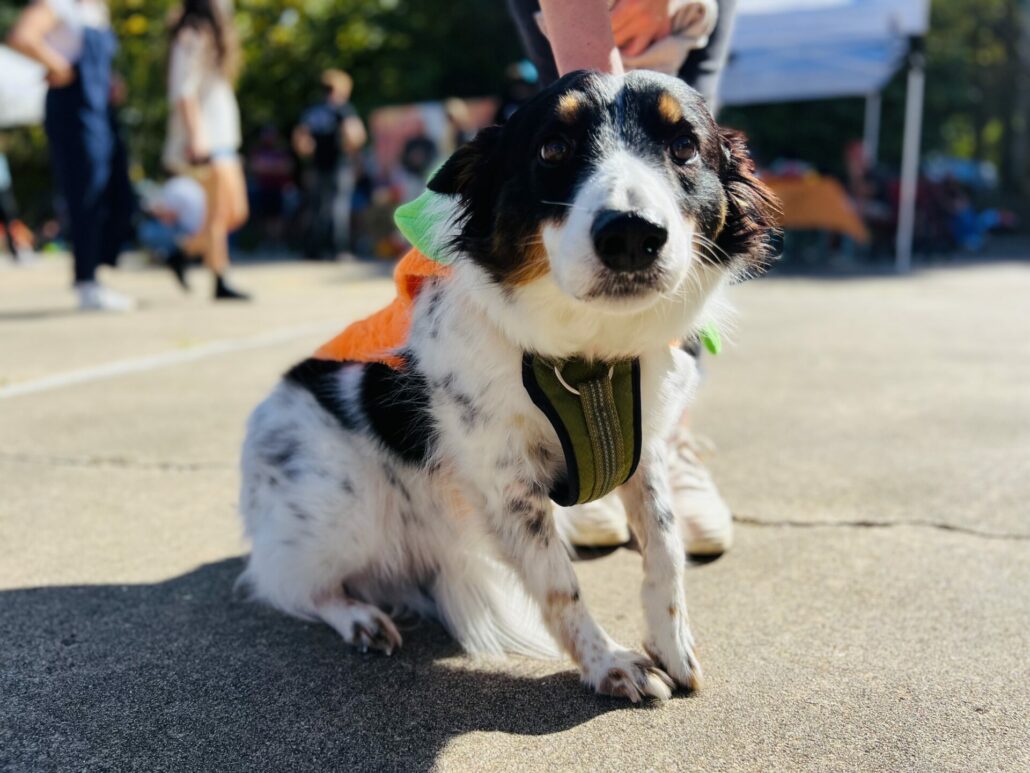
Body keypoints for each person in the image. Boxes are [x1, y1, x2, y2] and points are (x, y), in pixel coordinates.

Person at [506, 0, 740, 556]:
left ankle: (665, 440)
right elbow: (606, 115)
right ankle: (586, 445)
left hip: (694, 14)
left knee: (690, 141)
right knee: (586, 122)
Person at [7, 0, 136, 310]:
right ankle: (87, 283)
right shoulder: (59, 4)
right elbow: (21, 36)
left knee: (119, 195)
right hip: (73, 112)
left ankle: (96, 269)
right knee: (85, 195)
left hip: (100, 111)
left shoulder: (97, 10)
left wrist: (110, 83)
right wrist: (58, 66)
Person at [163, 0, 249, 301]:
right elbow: (183, 92)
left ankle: (181, 253)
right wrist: (197, 138)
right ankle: (220, 278)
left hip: (223, 137)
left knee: (234, 213)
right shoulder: (191, 35)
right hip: (204, 140)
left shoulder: (213, 37)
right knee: (216, 214)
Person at [293, 69, 367, 260]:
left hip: (317, 165)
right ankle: (338, 250)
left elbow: (301, 140)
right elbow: (355, 136)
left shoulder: (313, 111)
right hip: (339, 164)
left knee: (316, 207)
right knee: (339, 207)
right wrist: (356, 158)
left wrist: (309, 156)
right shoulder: (342, 109)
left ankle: (312, 250)